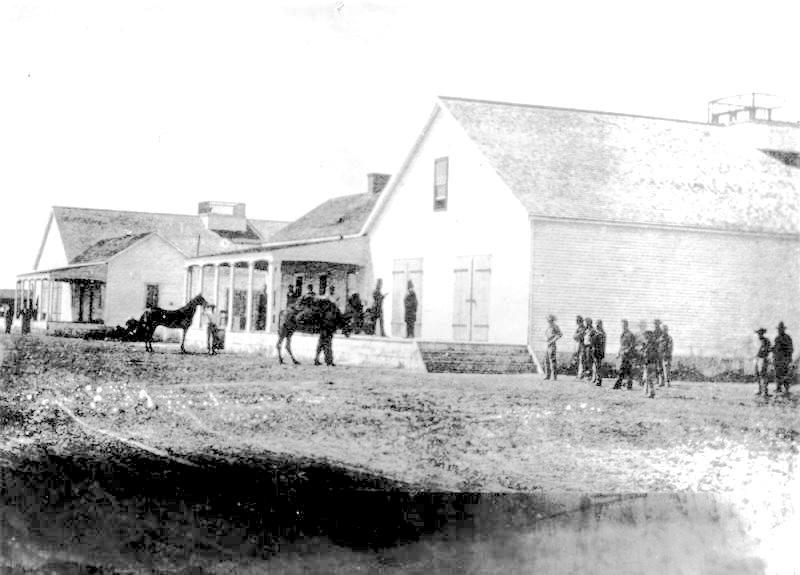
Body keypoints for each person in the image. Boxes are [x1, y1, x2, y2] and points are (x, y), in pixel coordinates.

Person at [614, 319, 636, 389]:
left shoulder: (630, 334)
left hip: (628, 355)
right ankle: (624, 385)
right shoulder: (622, 334)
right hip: (622, 354)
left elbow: (632, 345)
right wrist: (619, 353)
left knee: (625, 370)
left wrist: (626, 351)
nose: (623, 326)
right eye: (622, 325)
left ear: (627, 325)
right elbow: (621, 345)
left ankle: (621, 385)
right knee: (624, 370)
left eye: (624, 325)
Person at [772, 322, 794, 394]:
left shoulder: (787, 338)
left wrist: (788, 358)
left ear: (783, 329)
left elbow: (791, 349)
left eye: (780, 329)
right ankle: (778, 388)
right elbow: (775, 348)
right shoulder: (777, 338)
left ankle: (786, 389)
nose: (779, 331)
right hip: (777, 359)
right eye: (779, 329)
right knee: (777, 374)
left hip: (784, 359)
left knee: (785, 374)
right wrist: (772, 350)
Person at [641, 324, 660, 398]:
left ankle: (651, 393)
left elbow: (650, 354)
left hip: (650, 362)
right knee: (647, 378)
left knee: (649, 379)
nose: (645, 336)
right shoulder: (649, 343)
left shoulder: (651, 344)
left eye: (646, 335)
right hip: (649, 362)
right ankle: (646, 392)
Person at [543, 314, 562, 380]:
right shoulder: (548, 327)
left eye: (550, 320)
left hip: (552, 345)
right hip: (547, 345)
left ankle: (554, 376)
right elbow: (546, 335)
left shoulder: (555, 327)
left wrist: (552, 340)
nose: (548, 321)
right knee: (546, 360)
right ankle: (547, 375)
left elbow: (559, 334)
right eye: (548, 320)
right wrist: (546, 339)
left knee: (552, 360)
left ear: (552, 320)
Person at [753, 328, 771, 397]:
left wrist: (763, 352)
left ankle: (765, 391)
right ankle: (760, 390)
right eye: (758, 333)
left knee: (763, 374)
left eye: (761, 333)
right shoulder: (757, 341)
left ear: (763, 334)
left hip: (763, 359)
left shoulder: (766, 341)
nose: (759, 335)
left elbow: (768, 349)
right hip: (757, 359)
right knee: (757, 374)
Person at [593, 320, 606, 386]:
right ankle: (596, 379)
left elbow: (601, 344)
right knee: (596, 366)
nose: (597, 326)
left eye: (598, 324)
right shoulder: (597, 332)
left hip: (599, 352)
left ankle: (599, 380)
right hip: (595, 351)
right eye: (596, 324)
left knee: (598, 367)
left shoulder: (601, 333)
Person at [582, 318, 595, 383]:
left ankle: (590, 376)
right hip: (585, 346)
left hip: (589, 347)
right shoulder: (586, 330)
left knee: (589, 361)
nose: (585, 324)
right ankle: (586, 375)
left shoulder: (592, 330)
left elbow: (593, 339)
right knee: (585, 361)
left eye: (586, 322)